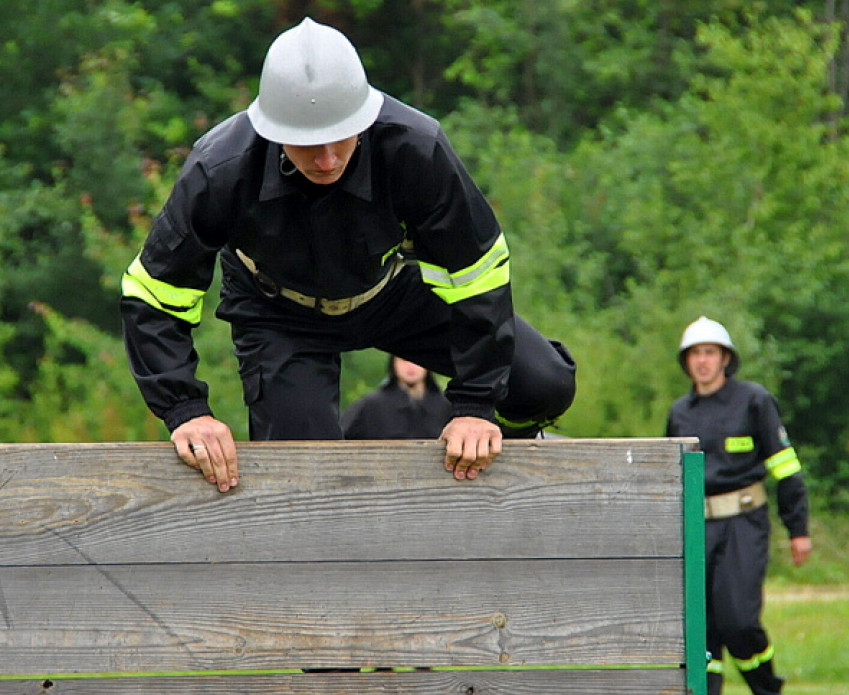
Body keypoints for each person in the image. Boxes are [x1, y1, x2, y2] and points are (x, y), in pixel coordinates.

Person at [120, 18, 575, 490]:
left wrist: (475, 407)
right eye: (308, 144)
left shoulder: (416, 148)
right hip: (278, 313)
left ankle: (513, 447)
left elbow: (477, 273)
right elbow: (153, 292)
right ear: (274, 130)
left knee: (543, 384)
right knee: (302, 476)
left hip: (391, 292)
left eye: (340, 137)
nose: (327, 160)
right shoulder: (220, 169)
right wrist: (185, 410)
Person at [665, 316, 811, 695]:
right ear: (687, 362)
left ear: (725, 358)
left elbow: (787, 470)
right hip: (695, 527)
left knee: (739, 621)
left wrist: (798, 528)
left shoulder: (754, 401)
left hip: (744, 524)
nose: (703, 361)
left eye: (710, 352)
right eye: (695, 354)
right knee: (701, 629)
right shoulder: (679, 412)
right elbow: (668, 477)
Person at [340, 355, 452, 439]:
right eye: (404, 360)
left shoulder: (445, 406)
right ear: (393, 364)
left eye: (417, 361)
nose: (411, 366)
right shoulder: (371, 406)